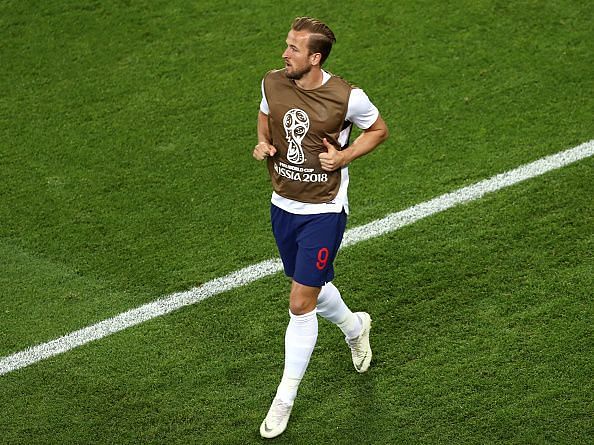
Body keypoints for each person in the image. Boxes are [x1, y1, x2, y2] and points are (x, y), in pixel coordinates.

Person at [253, 16, 389, 439]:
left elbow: (378, 129)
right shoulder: (272, 82)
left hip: (324, 210)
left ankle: (284, 398)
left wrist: (345, 158)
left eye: (293, 48)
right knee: (310, 285)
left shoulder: (347, 96)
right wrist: (263, 143)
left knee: (299, 303)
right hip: (283, 205)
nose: (284, 53)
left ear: (315, 57)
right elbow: (265, 115)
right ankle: (354, 327)